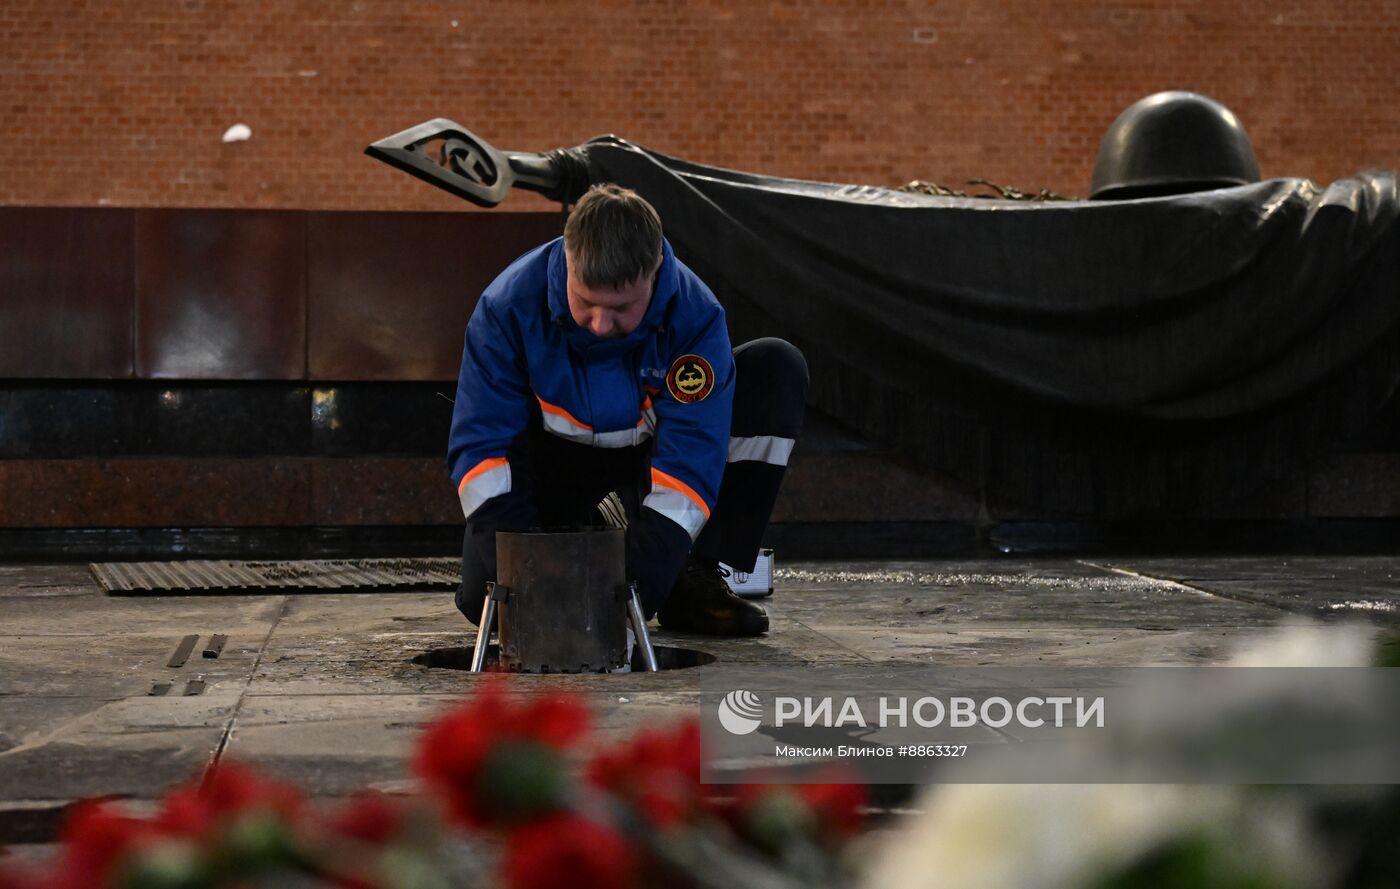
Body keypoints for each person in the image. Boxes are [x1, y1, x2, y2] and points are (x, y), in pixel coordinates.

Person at [449, 183, 807, 636]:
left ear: (654, 270)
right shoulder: (505, 310)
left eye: (620, 307)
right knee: (488, 600)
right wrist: (525, 573)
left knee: (776, 369)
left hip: (650, 460)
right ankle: (579, 529)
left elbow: (689, 465)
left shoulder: (696, 320)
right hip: (550, 464)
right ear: (569, 259)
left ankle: (692, 574)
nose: (600, 325)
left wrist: (630, 591)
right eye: (586, 302)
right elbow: (482, 452)